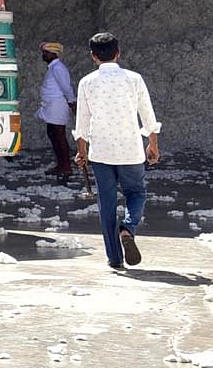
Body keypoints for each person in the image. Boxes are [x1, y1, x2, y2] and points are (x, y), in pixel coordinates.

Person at [74, 31, 162, 270]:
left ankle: (114, 258)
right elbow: (147, 114)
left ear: (93, 57)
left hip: (101, 153)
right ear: (118, 53)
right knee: (136, 193)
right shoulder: (134, 79)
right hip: (130, 149)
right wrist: (153, 143)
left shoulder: (87, 83)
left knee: (107, 203)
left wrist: (81, 150)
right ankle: (128, 228)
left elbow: (82, 122)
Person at [35, 41, 79, 182]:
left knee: (59, 135)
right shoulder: (53, 68)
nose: (44, 55)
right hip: (51, 106)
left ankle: (66, 166)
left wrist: (72, 102)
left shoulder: (59, 68)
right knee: (52, 133)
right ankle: (60, 164)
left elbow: (66, 87)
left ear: (54, 54)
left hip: (57, 105)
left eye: (46, 52)